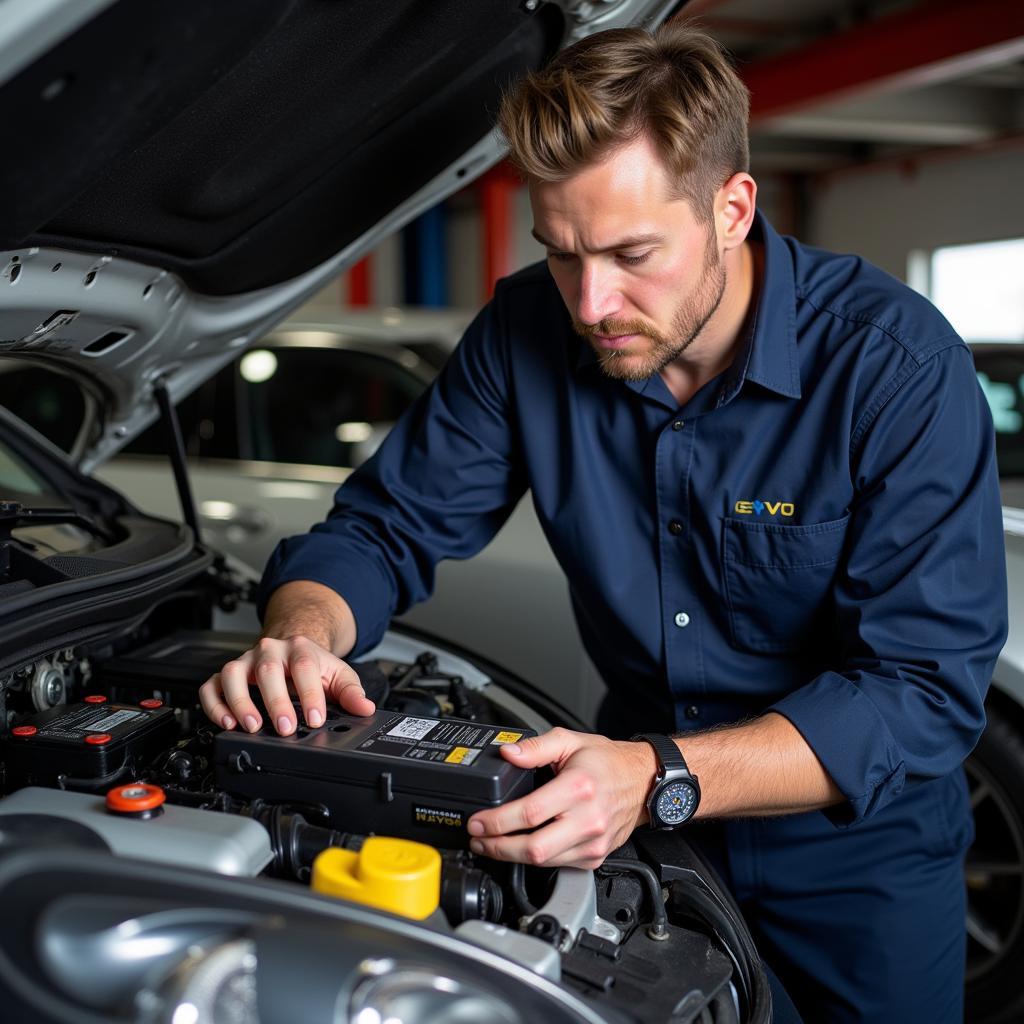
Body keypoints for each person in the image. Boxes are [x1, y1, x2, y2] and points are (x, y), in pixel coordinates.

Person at [199, 23, 1006, 1024]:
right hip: (632, 834)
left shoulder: (891, 367)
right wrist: (303, 633)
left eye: (630, 254)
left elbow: (921, 689)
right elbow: (382, 527)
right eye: (562, 253)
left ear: (731, 208)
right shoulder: (524, 331)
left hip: (854, 860)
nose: (592, 303)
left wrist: (658, 773)